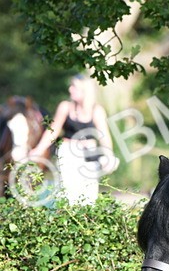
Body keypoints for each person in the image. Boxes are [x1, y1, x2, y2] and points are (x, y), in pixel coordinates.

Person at [30, 73, 117, 205]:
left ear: (84, 90)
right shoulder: (65, 107)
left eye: (74, 87)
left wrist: (108, 154)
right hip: (68, 153)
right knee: (68, 192)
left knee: (89, 194)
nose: (70, 89)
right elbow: (53, 131)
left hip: (89, 155)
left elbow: (104, 136)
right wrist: (39, 149)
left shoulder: (96, 110)